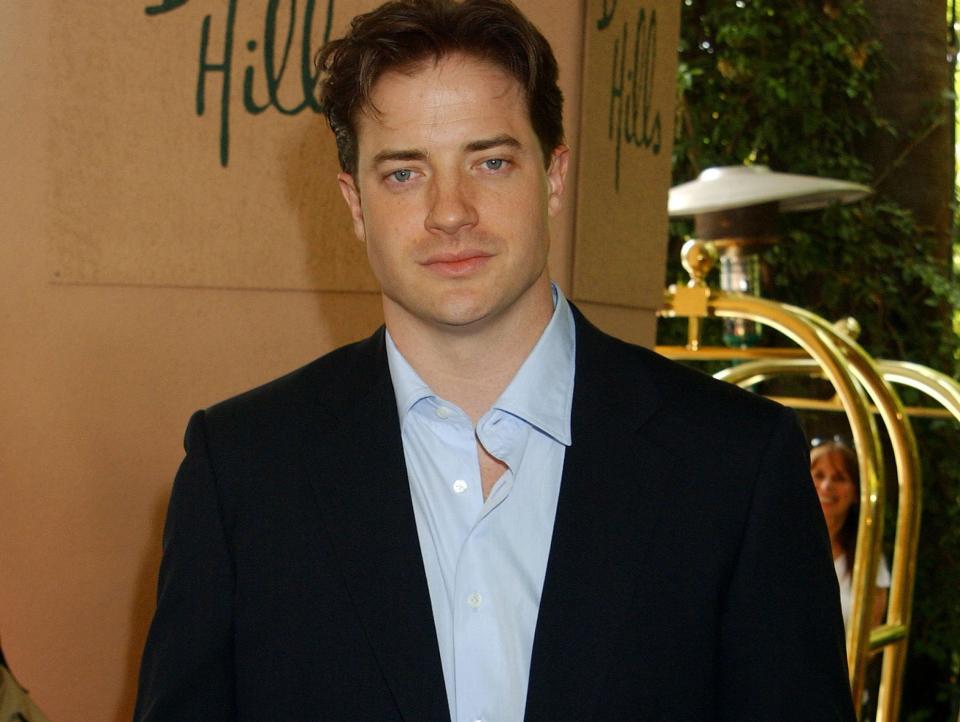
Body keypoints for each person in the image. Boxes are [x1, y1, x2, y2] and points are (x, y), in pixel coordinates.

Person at [134, 1, 855, 719]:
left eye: (490, 160)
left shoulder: (734, 464)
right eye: (404, 174)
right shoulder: (241, 474)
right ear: (355, 204)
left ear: (553, 177)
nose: (452, 211)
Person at [811, 439, 891, 633]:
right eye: (818, 475)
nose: (826, 486)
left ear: (857, 492)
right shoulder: (773, 545)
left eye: (839, 478)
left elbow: (869, 639)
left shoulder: (869, 559)